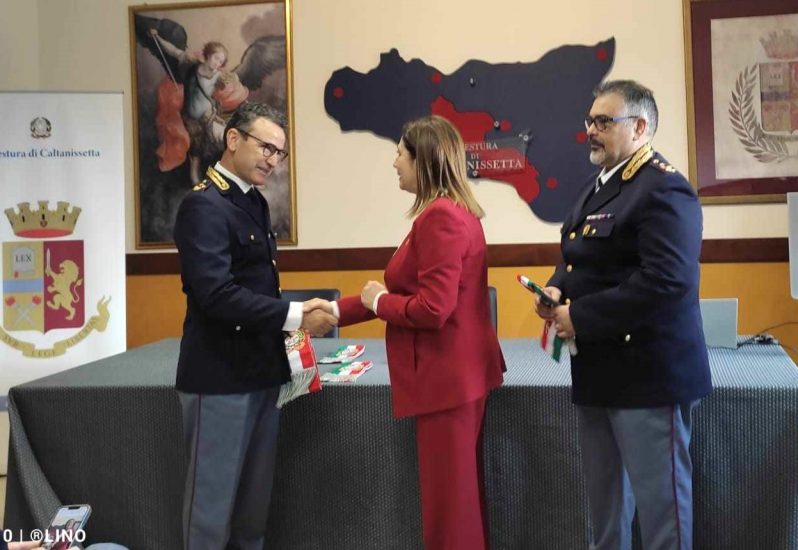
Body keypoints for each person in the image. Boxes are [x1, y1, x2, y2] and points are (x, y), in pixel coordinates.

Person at [534, 80, 712, 550]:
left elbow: (667, 282)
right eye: (590, 121)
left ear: (639, 127)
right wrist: (556, 287)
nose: (591, 130)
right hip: (599, 371)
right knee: (606, 513)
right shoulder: (600, 186)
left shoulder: (664, 188)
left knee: (662, 519)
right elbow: (579, 257)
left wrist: (581, 316)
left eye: (603, 121)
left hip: (647, 376)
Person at [333, 115, 505, 550]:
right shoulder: (449, 212)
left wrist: (377, 303)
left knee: (450, 512)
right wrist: (335, 311)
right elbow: (404, 292)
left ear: (422, 160)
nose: (394, 163)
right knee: (460, 503)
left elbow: (432, 309)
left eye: (399, 154)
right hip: (457, 377)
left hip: (445, 380)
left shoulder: (440, 217)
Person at [173, 101, 337, 550]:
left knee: (252, 515)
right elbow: (216, 295)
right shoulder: (203, 205)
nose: (272, 159)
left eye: (278, 152)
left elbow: (258, 289)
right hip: (220, 379)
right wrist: (296, 315)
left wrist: (295, 314)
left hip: (262, 374)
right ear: (233, 139)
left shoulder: (252, 202)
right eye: (266, 147)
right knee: (209, 517)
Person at [149, 29, 247, 182]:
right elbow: (173, 51)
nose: (217, 63)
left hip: (209, 117)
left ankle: (241, 174)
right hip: (190, 119)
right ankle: (195, 177)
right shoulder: (192, 65)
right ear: (208, 55)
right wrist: (157, 37)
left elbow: (234, 85)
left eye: (220, 61)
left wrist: (233, 85)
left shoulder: (219, 76)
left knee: (227, 139)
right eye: (216, 58)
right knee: (196, 149)